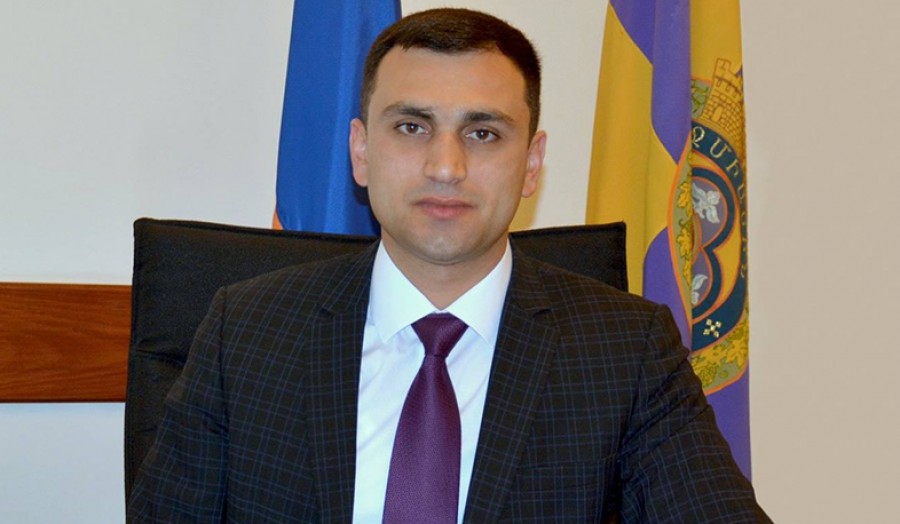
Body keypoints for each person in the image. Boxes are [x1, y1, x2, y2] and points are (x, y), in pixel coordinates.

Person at [127, 8, 769, 523]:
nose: (445, 166)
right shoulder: (246, 332)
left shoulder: (626, 351)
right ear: (360, 151)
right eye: (412, 127)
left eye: (483, 133)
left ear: (532, 164)